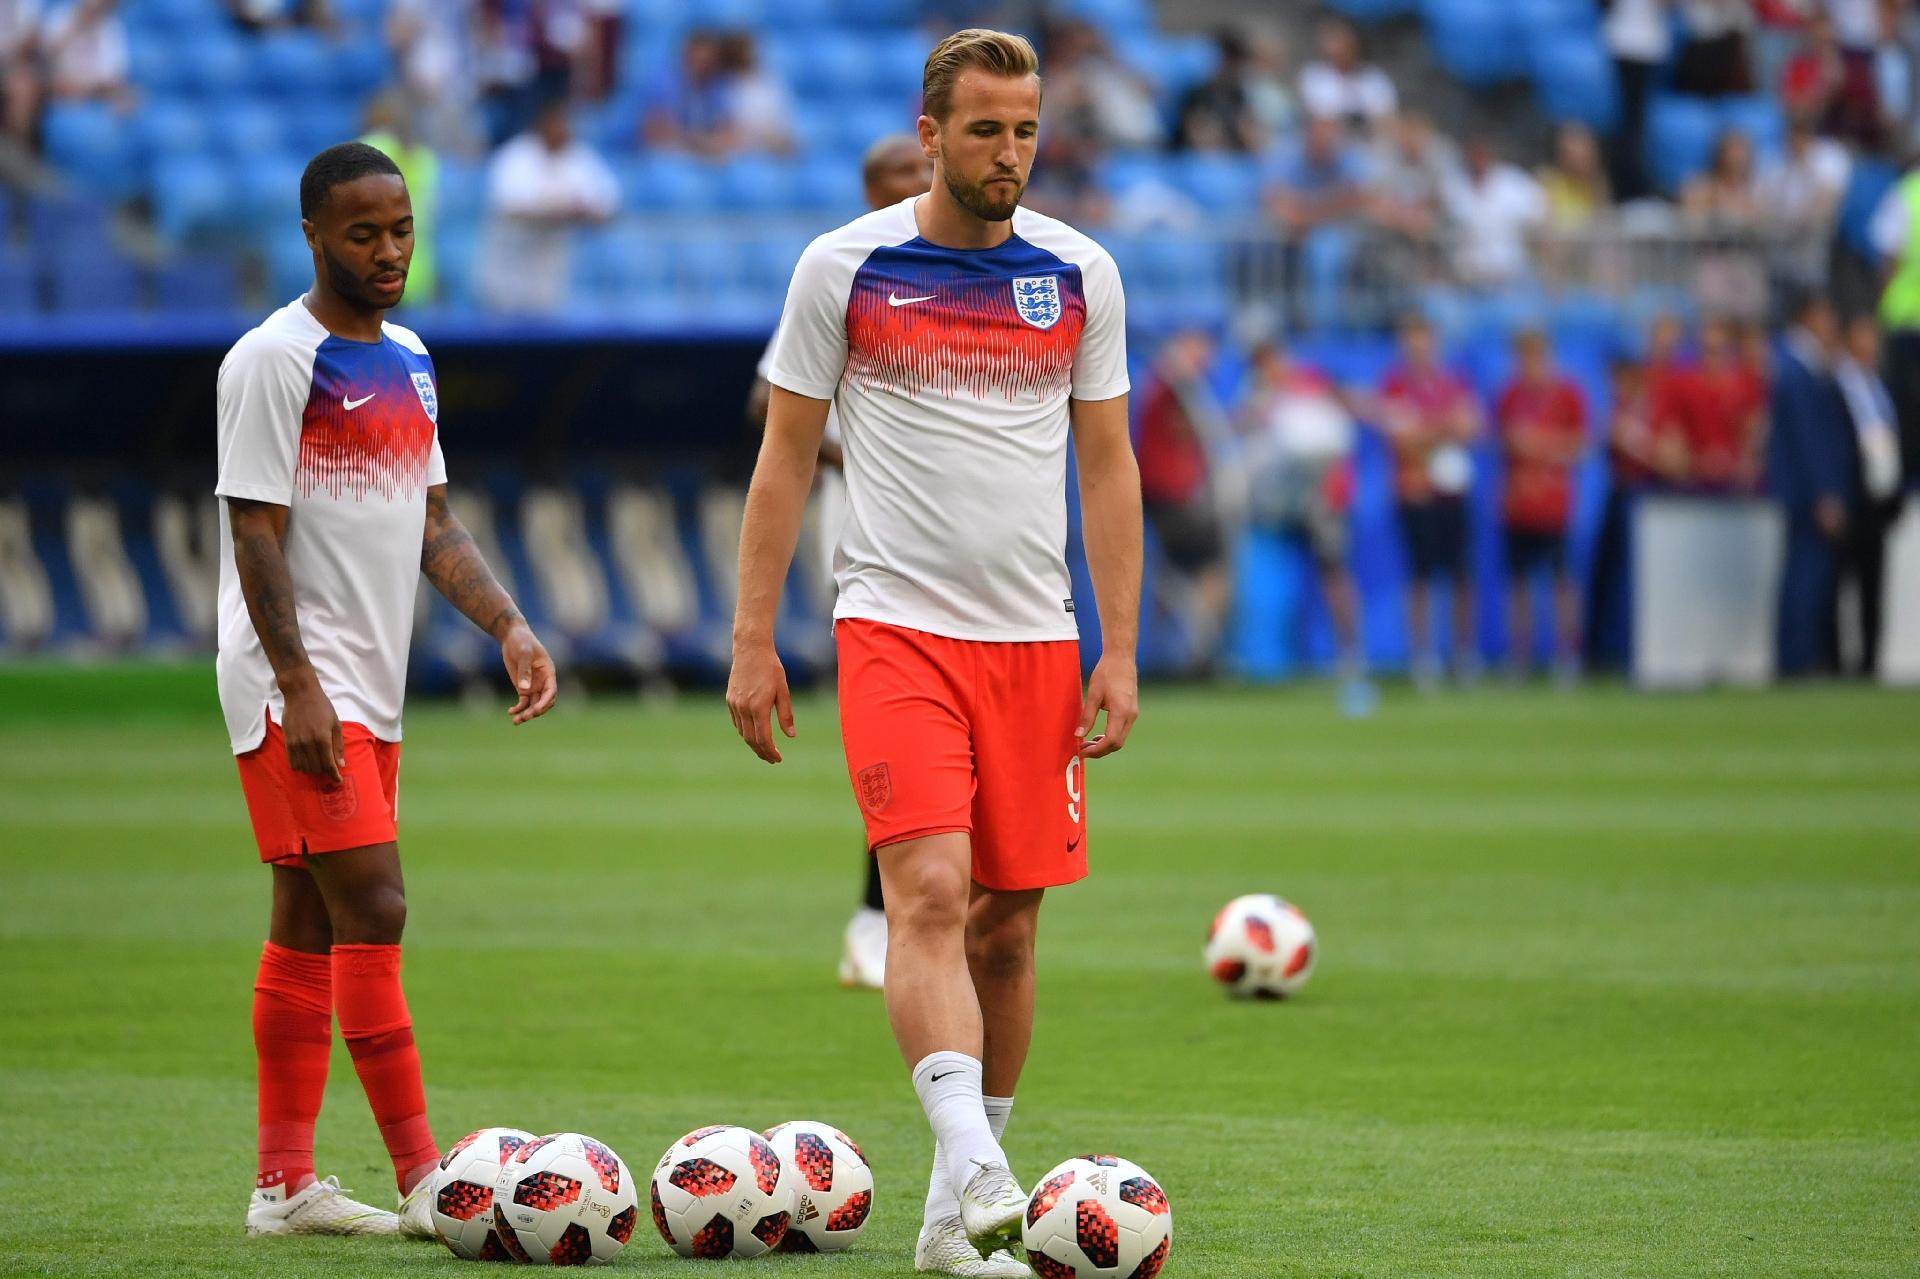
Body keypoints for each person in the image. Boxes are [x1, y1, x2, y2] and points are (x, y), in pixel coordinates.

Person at [726, 28, 1138, 1279]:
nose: (1009, 152)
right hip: (893, 629)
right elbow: (784, 455)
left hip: (1038, 645)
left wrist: (1118, 648)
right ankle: (976, 1162)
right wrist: (753, 637)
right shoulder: (844, 266)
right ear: (930, 131)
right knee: (930, 897)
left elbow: (1108, 465)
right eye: (984, 130)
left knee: (1009, 931)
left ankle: (947, 1226)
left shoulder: (1080, 272)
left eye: (1025, 130)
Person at [218, 143, 556, 1239]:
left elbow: (432, 522)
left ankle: (285, 1188)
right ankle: (427, 1178)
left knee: (309, 915)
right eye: (362, 233)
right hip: (300, 684)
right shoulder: (275, 358)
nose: (388, 250)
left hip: (372, 679)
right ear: (311, 234)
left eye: (400, 228)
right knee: (377, 903)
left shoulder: (409, 357)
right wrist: (297, 684)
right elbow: (254, 530)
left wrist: (507, 624)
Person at [744, 134, 933, 992]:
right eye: (897, 181)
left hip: (956, 535)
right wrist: (860, 458)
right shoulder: (842, 272)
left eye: (920, 178)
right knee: (896, 723)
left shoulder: (969, 273)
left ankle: (912, 915)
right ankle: (875, 916)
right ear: (867, 190)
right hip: (864, 530)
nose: (914, 190)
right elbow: (765, 402)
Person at [1238, 340, 1372, 713]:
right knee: (1275, 575)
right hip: (1282, 501)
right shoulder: (1260, 393)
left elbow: (1338, 427)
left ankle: (1351, 660)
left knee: (1333, 574)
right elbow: (1244, 428)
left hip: (1323, 497)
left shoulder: (1310, 383)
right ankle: (1269, 658)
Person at [1378, 313, 1481, 684]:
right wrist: (1443, 430)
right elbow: (1402, 440)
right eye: (1412, 340)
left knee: (1459, 575)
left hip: (1450, 492)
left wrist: (1427, 433)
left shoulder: (1453, 383)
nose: (1418, 347)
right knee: (1419, 576)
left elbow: (1471, 428)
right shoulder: (1395, 386)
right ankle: (1424, 658)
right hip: (1414, 492)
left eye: (1424, 339)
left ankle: (1463, 654)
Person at [1767, 292, 1855, 675]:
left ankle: (1798, 657)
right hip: (1808, 495)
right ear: (1808, 317)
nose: (1832, 324)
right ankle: (1796, 661)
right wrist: (1825, 493)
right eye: (1825, 316)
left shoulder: (1800, 365)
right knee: (1805, 578)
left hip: (1804, 493)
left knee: (1805, 576)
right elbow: (1809, 439)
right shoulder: (1796, 368)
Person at [1494, 328, 1588, 679]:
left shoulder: (1567, 395)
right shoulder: (1509, 395)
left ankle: (1566, 654)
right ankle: (1520, 656)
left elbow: (1579, 445)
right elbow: (1505, 444)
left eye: (1536, 354)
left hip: (1554, 503)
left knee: (1562, 581)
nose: (1529, 362)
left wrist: (1538, 446)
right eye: (1523, 354)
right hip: (1518, 503)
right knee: (1518, 583)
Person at [1135, 329, 1231, 669]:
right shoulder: (1173, 389)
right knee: (1213, 565)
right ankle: (1200, 651)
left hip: (1160, 496)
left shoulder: (1162, 388)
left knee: (1171, 573)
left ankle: (1168, 653)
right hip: (1171, 496)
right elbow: (1187, 427)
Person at [476, 99, 617, 315]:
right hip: (512, 263)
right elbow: (512, 210)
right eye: (556, 122)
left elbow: (608, 208)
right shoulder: (516, 156)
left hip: (552, 268)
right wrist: (559, 211)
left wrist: (581, 213)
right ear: (542, 124)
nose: (562, 128)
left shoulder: (580, 158)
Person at [1832, 314, 1905, 674]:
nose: (1871, 344)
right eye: (1864, 337)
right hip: (1848, 495)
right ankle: (1831, 660)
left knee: (1873, 583)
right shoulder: (1835, 383)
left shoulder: (1880, 384)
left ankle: (1870, 663)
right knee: (1837, 583)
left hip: (1878, 497)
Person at [1657, 314, 1768, 492]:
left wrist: (1741, 462)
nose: (1711, 358)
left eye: (1718, 350)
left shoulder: (1749, 385)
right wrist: (1697, 463)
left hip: (1738, 489)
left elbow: (1756, 432)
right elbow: (1669, 441)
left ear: (1732, 351)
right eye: (1705, 350)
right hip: (1692, 486)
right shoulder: (1679, 385)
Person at [1298, 13, 1396, 136]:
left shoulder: (1375, 78)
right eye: (1334, 41)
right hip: (1329, 141)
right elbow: (1316, 115)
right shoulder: (1314, 75)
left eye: (1344, 41)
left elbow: (1385, 118)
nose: (1340, 49)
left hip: (1368, 140)